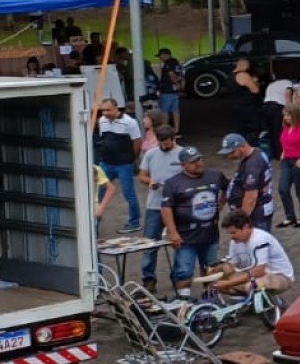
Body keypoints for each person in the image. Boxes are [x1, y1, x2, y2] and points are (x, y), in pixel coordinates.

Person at [157, 147, 227, 296]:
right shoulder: (173, 183)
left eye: (199, 159)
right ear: (183, 165)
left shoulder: (215, 176)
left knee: (211, 269)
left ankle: (210, 298)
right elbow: (166, 208)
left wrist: (222, 202)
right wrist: (173, 232)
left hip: (210, 234)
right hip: (185, 237)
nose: (199, 163)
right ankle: (183, 301)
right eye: (193, 162)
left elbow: (229, 187)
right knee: (184, 271)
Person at [134, 126, 185, 287]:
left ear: (173, 139)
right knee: (150, 244)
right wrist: (150, 182)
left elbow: (191, 174)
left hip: (177, 206)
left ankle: (178, 276)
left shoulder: (183, 154)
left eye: (166, 142)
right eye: (160, 142)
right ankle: (148, 278)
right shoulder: (150, 154)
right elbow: (141, 176)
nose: (163, 145)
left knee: (179, 242)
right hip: (155, 205)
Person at [213, 210, 295, 298]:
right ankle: (251, 303)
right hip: (258, 276)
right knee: (219, 284)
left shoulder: (259, 239)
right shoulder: (235, 242)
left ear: (246, 227)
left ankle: (264, 306)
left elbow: (259, 271)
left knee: (251, 286)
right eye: (229, 233)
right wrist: (216, 270)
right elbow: (232, 265)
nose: (231, 237)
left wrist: (229, 283)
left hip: (280, 276)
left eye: (234, 232)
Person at [94, 98, 142, 234]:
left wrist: (133, 159)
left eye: (108, 110)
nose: (105, 112)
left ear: (116, 108)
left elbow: (137, 142)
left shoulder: (129, 122)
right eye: (103, 110)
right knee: (99, 194)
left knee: (129, 193)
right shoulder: (102, 121)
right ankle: (96, 221)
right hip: (107, 162)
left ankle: (134, 222)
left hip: (124, 163)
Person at [219, 131, 275, 232]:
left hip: (256, 215)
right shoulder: (257, 153)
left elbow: (250, 198)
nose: (229, 156)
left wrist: (242, 223)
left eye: (232, 152)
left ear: (243, 146)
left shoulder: (252, 164)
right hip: (259, 211)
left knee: (257, 243)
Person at [271, 106, 300, 228]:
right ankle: (290, 216)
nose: (286, 118)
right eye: (285, 115)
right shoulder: (286, 126)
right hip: (287, 160)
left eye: (288, 115)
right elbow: (284, 141)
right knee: (283, 188)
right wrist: (284, 152)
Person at [154, 48, 182, 129]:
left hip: (167, 90)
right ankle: (176, 128)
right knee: (175, 110)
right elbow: (180, 75)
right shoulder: (176, 62)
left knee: (164, 111)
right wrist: (178, 85)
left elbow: (171, 75)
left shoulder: (168, 63)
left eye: (160, 56)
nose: (160, 58)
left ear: (165, 55)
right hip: (174, 91)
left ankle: (164, 129)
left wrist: (175, 82)